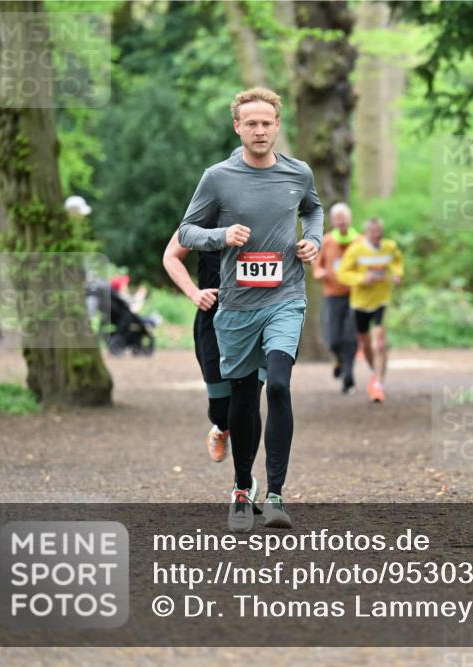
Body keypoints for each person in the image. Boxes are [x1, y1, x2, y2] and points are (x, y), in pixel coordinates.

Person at [177, 87, 323, 532]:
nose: (259, 130)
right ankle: (243, 488)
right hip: (237, 306)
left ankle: (276, 495)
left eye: (267, 123)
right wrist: (221, 237)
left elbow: (314, 211)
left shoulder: (299, 173)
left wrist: (313, 240)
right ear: (237, 127)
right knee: (243, 398)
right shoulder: (217, 177)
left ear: (277, 126)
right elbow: (186, 233)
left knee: (278, 385)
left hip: (285, 298)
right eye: (251, 123)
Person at [162, 230, 265, 465]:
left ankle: (243, 483)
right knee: (221, 410)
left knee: (249, 400)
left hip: (256, 318)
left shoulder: (261, 207)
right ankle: (221, 427)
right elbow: (171, 255)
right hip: (213, 318)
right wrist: (193, 292)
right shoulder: (204, 213)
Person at [336, 217, 403, 404]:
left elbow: (397, 260)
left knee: (380, 343)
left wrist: (397, 274)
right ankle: (376, 374)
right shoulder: (356, 250)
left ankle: (378, 382)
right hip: (360, 303)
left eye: (380, 231)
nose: (378, 234)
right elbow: (342, 273)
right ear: (367, 233)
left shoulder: (389, 246)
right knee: (366, 345)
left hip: (382, 300)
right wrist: (362, 278)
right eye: (374, 231)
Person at [312, 202, 359, 394]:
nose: (341, 222)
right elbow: (316, 265)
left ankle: (348, 377)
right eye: (337, 219)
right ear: (332, 221)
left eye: (344, 219)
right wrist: (320, 272)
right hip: (332, 295)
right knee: (332, 339)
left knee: (350, 338)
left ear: (350, 219)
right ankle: (339, 360)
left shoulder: (360, 242)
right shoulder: (327, 241)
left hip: (356, 296)